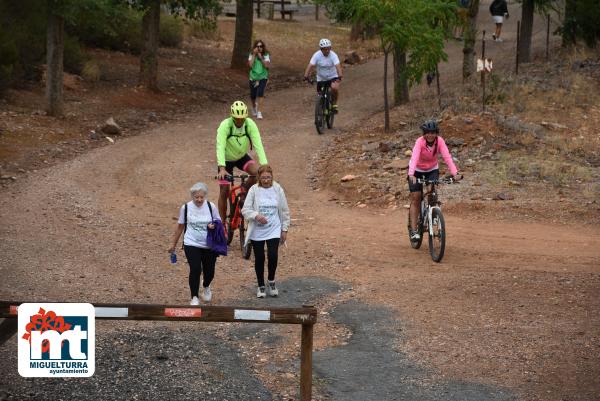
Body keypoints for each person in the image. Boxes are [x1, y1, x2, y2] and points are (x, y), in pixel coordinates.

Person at [216, 100, 268, 226]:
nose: (239, 121)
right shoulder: (225, 125)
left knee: (257, 174)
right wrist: (222, 168)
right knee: (224, 191)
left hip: (241, 157)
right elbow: (220, 146)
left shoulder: (249, 124)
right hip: (226, 161)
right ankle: (222, 224)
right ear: (232, 116)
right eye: (236, 119)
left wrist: (265, 164)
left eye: (242, 119)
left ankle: (245, 188)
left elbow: (258, 144)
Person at [241, 164, 290, 298]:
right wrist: (256, 215)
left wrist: (284, 229)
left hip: (274, 227)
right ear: (259, 178)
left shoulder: (277, 189)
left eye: (268, 177)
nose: (266, 180)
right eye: (263, 178)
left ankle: (271, 280)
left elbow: (284, 210)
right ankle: (261, 285)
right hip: (257, 230)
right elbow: (245, 210)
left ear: (272, 176)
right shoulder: (254, 190)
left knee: (273, 256)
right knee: (260, 258)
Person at [407, 120, 461, 241]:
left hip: (432, 169)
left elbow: (447, 157)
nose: (430, 135)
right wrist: (411, 174)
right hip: (416, 170)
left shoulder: (440, 141)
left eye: (433, 133)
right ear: (424, 133)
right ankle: (414, 231)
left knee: (432, 191)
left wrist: (455, 173)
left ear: (436, 133)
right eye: (428, 133)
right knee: (416, 197)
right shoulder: (419, 142)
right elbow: (414, 157)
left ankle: (433, 214)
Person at [168, 182, 220, 305]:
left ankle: (206, 285)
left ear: (205, 196)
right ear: (192, 196)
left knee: (210, 271)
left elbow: (219, 222)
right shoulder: (185, 208)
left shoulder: (210, 206)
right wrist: (173, 244)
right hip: (191, 243)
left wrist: (214, 225)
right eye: (196, 197)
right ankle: (194, 296)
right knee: (195, 269)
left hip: (209, 245)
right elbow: (180, 227)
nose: (199, 199)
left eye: (201, 197)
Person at [303, 38, 343, 113]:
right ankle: (322, 108)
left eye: (328, 49)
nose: (327, 51)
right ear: (321, 49)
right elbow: (310, 65)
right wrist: (306, 76)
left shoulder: (333, 55)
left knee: (334, 88)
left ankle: (334, 104)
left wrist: (340, 75)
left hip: (332, 76)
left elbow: (338, 66)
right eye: (325, 49)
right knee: (320, 94)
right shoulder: (316, 55)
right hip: (321, 77)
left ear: (330, 48)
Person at [248, 39, 270, 120]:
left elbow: (267, 66)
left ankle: (259, 112)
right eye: (257, 46)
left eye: (261, 46)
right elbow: (250, 65)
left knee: (260, 93)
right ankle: (254, 107)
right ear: (255, 47)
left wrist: (261, 58)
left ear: (263, 47)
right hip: (253, 77)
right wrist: (254, 54)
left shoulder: (266, 55)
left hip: (262, 77)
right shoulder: (251, 54)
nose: (259, 48)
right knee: (253, 95)